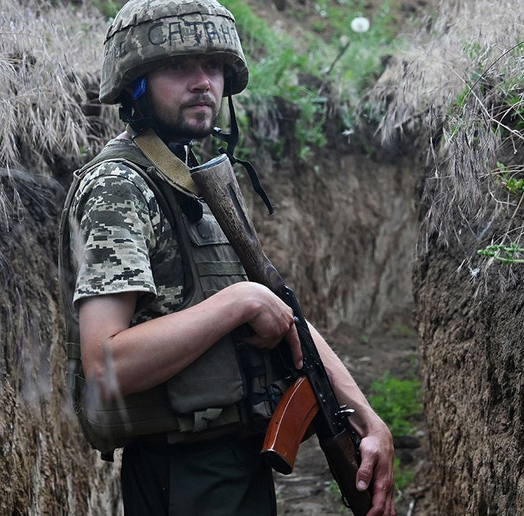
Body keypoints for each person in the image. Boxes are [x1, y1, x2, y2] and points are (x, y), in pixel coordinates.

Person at [59, 0, 396, 514]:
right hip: (184, 472)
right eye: (177, 67)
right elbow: (106, 363)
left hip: (232, 464)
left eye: (212, 66)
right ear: (136, 83)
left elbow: (285, 315)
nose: (202, 82)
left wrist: (368, 421)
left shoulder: (196, 177)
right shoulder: (119, 188)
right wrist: (239, 302)